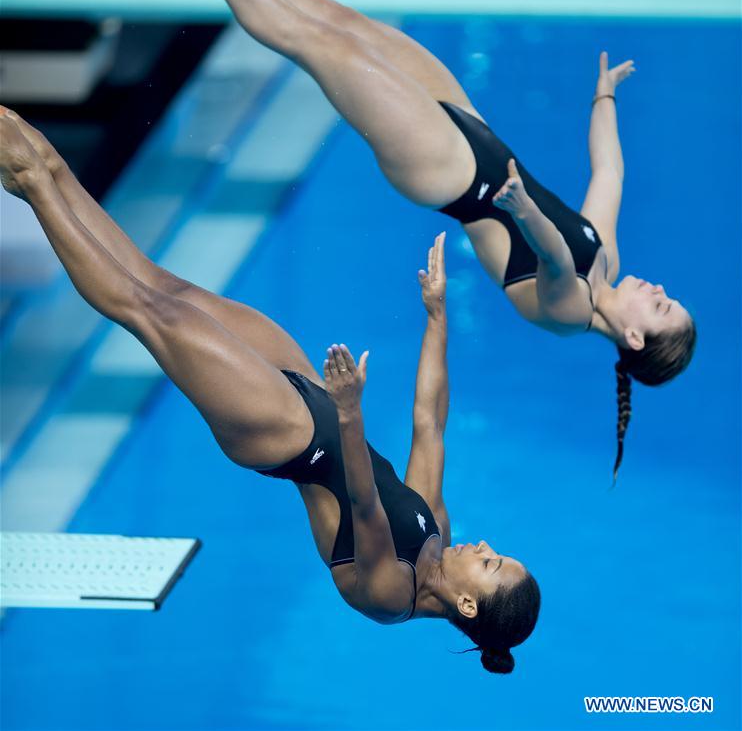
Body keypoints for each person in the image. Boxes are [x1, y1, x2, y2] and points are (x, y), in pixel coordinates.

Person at [144, 0, 695, 479]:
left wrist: (523, 209)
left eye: (663, 308)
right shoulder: (609, 263)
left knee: (314, 43)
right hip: (474, 129)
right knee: (334, 19)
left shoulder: (573, 315)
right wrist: (604, 98)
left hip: (449, 172)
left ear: (636, 341)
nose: (660, 292)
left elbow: (555, 262)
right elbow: (609, 177)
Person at [0, 110, 539, 673]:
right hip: (313, 397)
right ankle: (53, 169)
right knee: (168, 286)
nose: (484, 547)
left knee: (150, 311)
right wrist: (436, 317)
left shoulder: (390, 596)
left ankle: (32, 182)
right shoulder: (439, 532)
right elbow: (429, 424)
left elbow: (364, 501)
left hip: (282, 436)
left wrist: (351, 412)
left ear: (469, 602)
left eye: (492, 563)